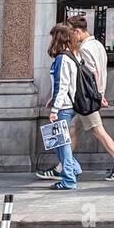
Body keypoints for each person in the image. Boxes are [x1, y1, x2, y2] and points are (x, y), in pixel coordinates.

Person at [36, 17, 114, 182]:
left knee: (98, 131)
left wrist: (97, 96)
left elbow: (92, 74)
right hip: (89, 98)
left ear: (78, 31)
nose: (71, 36)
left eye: (72, 32)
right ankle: (64, 167)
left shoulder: (84, 48)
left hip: (84, 99)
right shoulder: (98, 45)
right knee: (72, 131)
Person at [45, 23, 81, 191]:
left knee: (61, 143)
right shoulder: (73, 56)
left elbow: (62, 86)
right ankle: (73, 169)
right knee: (60, 142)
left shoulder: (62, 59)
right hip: (68, 105)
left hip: (64, 107)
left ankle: (68, 179)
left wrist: (54, 109)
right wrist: (52, 100)